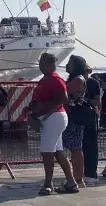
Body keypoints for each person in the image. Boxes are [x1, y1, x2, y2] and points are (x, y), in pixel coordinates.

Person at [29, 52, 77, 195]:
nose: (41, 66)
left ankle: (48, 183)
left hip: (53, 117)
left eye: (43, 63)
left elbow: (63, 97)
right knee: (57, 151)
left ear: (51, 65)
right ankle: (71, 182)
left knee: (47, 151)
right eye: (40, 63)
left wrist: (45, 111)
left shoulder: (55, 79)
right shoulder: (45, 79)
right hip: (52, 116)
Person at [63, 55, 101, 187]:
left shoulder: (78, 80)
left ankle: (78, 178)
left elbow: (63, 93)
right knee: (76, 147)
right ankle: (78, 177)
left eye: (70, 63)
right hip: (79, 116)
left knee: (75, 147)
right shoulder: (80, 79)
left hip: (76, 117)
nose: (67, 65)